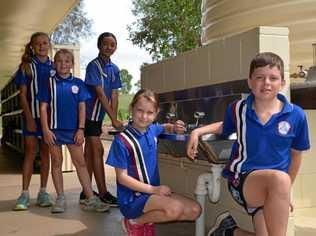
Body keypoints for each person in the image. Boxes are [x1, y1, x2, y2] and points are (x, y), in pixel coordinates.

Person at [187, 52, 310, 236]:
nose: (266, 82)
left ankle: (228, 231)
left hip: (274, 186)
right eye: (260, 77)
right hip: (242, 180)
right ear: (250, 82)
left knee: (278, 186)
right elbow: (224, 126)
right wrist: (197, 131)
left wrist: (283, 193)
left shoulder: (297, 115)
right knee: (279, 180)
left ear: (282, 83)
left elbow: (296, 156)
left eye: (273, 78)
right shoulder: (238, 109)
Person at [107, 89, 201, 236]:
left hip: (151, 195)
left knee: (195, 210)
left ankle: (145, 220)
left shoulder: (151, 130)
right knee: (174, 209)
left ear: (156, 113)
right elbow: (122, 178)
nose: (144, 116)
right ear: (132, 109)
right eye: (140, 111)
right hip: (132, 198)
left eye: (150, 112)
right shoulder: (122, 141)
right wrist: (154, 190)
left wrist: (174, 127)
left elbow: (164, 127)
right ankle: (134, 222)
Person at [38, 49, 109, 213]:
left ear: (72, 64)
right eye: (59, 61)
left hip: (73, 131)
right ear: (54, 64)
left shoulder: (78, 83)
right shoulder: (48, 83)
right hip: (53, 131)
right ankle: (60, 198)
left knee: (81, 163)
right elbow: (42, 108)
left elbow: (82, 107)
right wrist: (46, 130)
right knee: (56, 162)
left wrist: (81, 129)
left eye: (67, 61)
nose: (63, 64)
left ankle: (90, 198)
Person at [82, 32, 123, 206]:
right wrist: (113, 119)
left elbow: (114, 94)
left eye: (112, 44)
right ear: (99, 46)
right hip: (88, 115)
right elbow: (99, 94)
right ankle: (104, 193)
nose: (109, 47)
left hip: (98, 117)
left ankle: (86, 192)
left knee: (90, 153)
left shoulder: (114, 69)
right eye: (105, 44)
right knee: (97, 151)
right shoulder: (93, 66)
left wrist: (115, 116)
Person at [13, 32, 53, 211]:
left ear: (50, 45)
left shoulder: (55, 66)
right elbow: (22, 94)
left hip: (49, 119)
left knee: (46, 154)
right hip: (31, 116)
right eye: (38, 44)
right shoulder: (26, 67)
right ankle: (24, 194)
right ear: (32, 46)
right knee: (30, 152)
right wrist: (29, 117)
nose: (42, 46)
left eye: (45, 43)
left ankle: (43, 192)